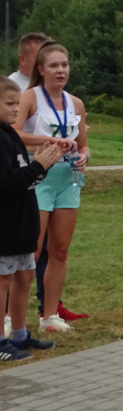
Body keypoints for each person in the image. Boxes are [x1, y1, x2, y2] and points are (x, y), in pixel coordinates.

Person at [14, 42, 90, 333]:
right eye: (55, 66)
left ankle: (49, 316)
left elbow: (83, 145)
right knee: (31, 250)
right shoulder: (30, 98)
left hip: (67, 180)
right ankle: (11, 316)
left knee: (60, 250)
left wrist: (83, 157)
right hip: (38, 179)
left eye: (65, 65)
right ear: (41, 69)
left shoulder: (76, 103)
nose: (61, 70)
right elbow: (13, 134)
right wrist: (47, 142)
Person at [0, 77, 64, 360]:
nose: (16, 109)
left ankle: (20, 333)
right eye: (9, 104)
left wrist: (42, 166)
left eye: (17, 103)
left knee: (25, 275)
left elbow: (26, 175)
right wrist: (39, 164)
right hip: (5, 225)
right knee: (3, 281)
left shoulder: (11, 134)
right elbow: (8, 182)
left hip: (22, 222)